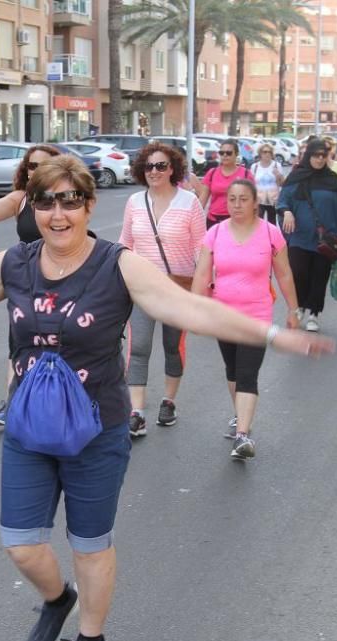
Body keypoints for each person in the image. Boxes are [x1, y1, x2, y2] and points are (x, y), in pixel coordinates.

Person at [0, 155, 334, 641]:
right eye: (46, 202)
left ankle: (91, 639)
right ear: (35, 207)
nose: (57, 213)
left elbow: (191, 309)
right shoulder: (16, 263)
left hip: (97, 428)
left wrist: (271, 334)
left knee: (89, 545)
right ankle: (57, 599)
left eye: (69, 201)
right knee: (21, 544)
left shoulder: (118, 264)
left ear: (88, 205)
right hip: (30, 425)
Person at [192, 179, 300, 459]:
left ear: (255, 203)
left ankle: (242, 435)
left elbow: (284, 273)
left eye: (243, 199)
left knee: (247, 374)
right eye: (231, 199)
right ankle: (239, 416)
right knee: (233, 371)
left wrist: (293, 309)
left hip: (257, 317)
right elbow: (203, 275)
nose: (236, 205)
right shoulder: (214, 233)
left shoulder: (271, 233)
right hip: (223, 315)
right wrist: (195, 309)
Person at [0, 143, 61, 426]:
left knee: (58, 344)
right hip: (27, 280)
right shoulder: (22, 198)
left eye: (44, 165)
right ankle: (13, 402)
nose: (37, 171)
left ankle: (62, 400)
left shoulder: (65, 198)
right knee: (20, 343)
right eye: (32, 166)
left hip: (63, 279)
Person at [120, 142, 205, 437]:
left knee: (172, 346)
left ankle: (169, 401)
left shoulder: (189, 202)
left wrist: (199, 288)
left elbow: (200, 247)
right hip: (142, 287)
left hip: (176, 288)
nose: (154, 172)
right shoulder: (134, 202)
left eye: (161, 166)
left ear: (173, 170)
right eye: (149, 166)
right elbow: (125, 243)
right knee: (139, 346)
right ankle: (137, 412)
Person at [277, 138, 337, 333]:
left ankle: (314, 313)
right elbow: (283, 200)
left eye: (323, 156)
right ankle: (300, 305)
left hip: (326, 238)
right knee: (299, 273)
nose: (319, 159)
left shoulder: (333, 179)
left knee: (320, 276)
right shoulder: (296, 177)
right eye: (316, 155)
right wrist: (286, 211)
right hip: (300, 237)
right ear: (308, 155)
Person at [193, 138, 253, 227]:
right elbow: (203, 199)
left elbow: (252, 200)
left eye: (229, 153)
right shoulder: (212, 173)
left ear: (236, 154)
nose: (225, 155)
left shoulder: (245, 174)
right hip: (214, 221)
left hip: (237, 221)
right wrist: (193, 218)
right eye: (221, 153)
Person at [249, 142, 286, 224]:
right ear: (260, 154)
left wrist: (278, 175)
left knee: (272, 223)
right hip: (259, 200)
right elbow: (251, 184)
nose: (267, 154)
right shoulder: (255, 167)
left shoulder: (277, 165)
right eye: (264, 152)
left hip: (273, 200)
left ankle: (271, 237)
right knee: (258, 223)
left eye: (269, 152)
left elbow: (283, 184)